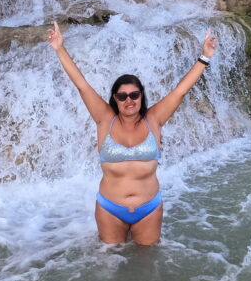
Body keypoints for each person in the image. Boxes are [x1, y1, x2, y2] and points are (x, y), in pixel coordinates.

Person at [47, 20, 218, 246]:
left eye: (134, 95)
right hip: (110, 208)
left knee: (147, 268)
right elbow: (82, 85)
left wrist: (204, 57)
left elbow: (180, 91)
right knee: (109, 266)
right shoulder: (104, 119)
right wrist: (60, 48)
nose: (129, 100)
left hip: (148, 208)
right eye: (122, 96)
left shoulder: (154, 119)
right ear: (115, 99)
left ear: (141, 96)